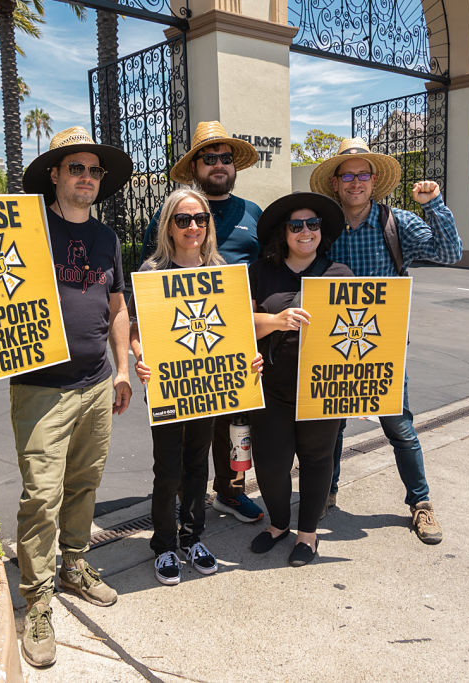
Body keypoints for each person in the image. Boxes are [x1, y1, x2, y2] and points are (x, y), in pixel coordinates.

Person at [0, 127, 133, 668]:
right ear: (56, 176)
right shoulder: (26, 228)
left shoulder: (108, 239)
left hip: (96, 383)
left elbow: (117, 306)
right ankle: (37, 599)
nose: (85, 177)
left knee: (85, 482)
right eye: (75, 169)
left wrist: (123, 369)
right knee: (42, 495)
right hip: (41, 389)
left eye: (93, 170)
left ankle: (75, 564)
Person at [308, 137, 462, 545]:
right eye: (348, 175)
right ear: (336, 183)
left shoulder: (399, 223)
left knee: (399, 425)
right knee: (331, 423)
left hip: (383, 346)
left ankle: (421, 503)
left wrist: (434, 205)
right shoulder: (323, 227)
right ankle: (327, 491)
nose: (355, 182)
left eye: (363, 174)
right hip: (331, 342)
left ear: (373, 180)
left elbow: (450, 254)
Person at [141, 120, 266, 525]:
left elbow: (265, 275)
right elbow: (148, 286)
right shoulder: (170, 213)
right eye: (208, 158)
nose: (217, 164)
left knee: (234, 429)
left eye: (224, 158)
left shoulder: (253, 214)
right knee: (183, 440)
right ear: (195, 167)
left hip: (231, 342)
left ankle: (230, 493)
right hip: (180, 342)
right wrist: (142, 351)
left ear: (234, 165)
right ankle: (183, 501)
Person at [248, 192, 352, 566]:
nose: (305, 231)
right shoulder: (260, 273)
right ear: (284, 232)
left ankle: (307, 535)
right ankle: (278, 525)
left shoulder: (340, 274)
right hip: (271, 387)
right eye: (296, 225)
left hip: (322, 388)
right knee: (272, 464)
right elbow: (238, 326)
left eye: (313, 224)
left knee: (317, 459)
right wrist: (276, 321)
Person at [130, 189, 226, 585]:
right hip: (169, 385)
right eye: (183, 219)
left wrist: (249, 358)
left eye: (200, 218)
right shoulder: (153, 272)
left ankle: (193, 538)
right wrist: (139, 357)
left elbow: (232, 328)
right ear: (168, 225)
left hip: (208, 384)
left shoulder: (220, 269)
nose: (193, 227)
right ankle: (165, 544)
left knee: (197, 465)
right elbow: (136, 329)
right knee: (167, 469)